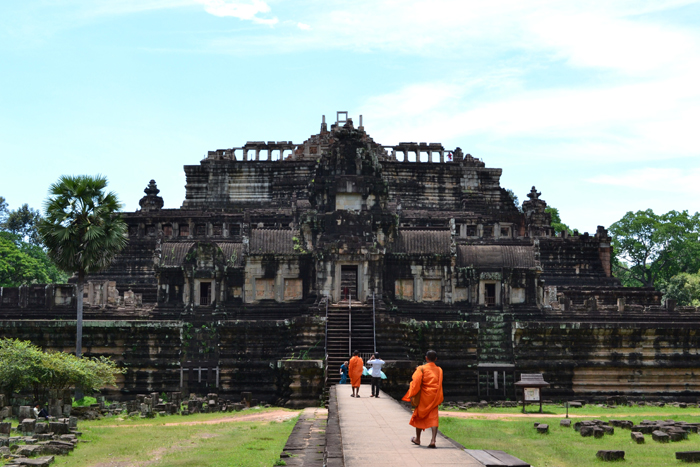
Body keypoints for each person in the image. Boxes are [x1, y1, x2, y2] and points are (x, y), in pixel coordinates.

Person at [402, 350, 443, 448]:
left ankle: (418, 439)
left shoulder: (421, 369)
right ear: (436, 359)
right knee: (434, 418)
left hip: (423, 397)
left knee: (419, 416)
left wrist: (412, 394)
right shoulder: (439, 370)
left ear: (426, 358)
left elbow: (415, 383)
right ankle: (433, 440)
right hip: (434, 397)